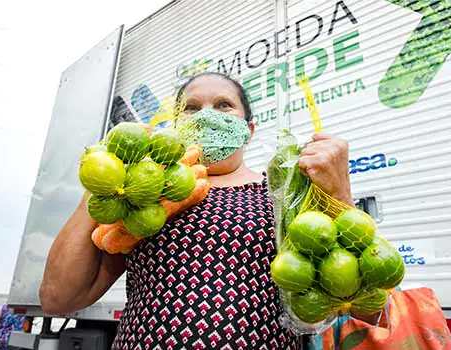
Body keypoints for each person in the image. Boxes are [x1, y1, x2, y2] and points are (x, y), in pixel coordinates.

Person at [40, 72, 353, 349]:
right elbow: (59, 298)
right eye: (191, 107)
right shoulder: (148, 194)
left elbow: (354, 298)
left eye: (223, 105)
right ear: (177, 126)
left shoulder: (282, 193)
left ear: (249, 128)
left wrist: (339, 193)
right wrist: (103, 182)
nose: (205, 115)